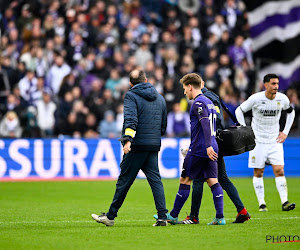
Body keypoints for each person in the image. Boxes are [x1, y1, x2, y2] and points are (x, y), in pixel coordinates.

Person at [92, 69, 168, 226]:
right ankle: (162, 218)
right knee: (155, 180)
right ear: (146, 80)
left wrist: (128, 141)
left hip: (137, 145)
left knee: (124, 180)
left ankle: (110, 217)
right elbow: (163, 125)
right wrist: (153, 137)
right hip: (153, 144)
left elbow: (131, 120)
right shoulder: (160, 98)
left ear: (130, 84)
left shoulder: (131, 96)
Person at [155, 73, 226, 225]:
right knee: (213, 180)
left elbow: (205, 123)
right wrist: (209, 145)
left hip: (201, 148)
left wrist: (206, 146)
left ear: (190, 86)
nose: (184, 92)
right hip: (212, 145)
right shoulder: (209, 102)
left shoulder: (198, 103)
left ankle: (173, 216)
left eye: (184, 89)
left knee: (185, 179)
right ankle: (220, 217)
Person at [179, 85, 250, 224]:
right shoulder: (214, 97)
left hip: (209, 145)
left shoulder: (203, 100)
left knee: (198, 179)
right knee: (222, 178)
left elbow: (210, 123)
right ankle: (242, 211)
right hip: (216, 142)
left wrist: (206, 144)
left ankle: (194, 217)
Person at [235, 73, 296, 212]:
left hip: (275, 140)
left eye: (277, 84)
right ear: (266, 85)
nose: (276, 87)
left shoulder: (282, 99)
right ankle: (262, 203)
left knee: (279, 170)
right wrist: (245, 129)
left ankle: (285, 202)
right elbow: (239, 110)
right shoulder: (256, 98)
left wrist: (285, 131)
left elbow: (291, 112)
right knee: (258, 172)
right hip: (258, 141)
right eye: (273, 84)